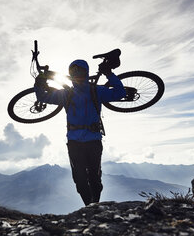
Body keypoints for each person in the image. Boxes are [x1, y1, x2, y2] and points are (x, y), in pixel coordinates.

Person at [34, 52, 127, 206]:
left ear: (86, 73)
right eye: (74, 72)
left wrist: (110, 74)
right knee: (80, 179)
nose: (77, 75)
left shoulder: (95, 90)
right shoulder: (66, 94)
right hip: (75, 142)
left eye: (81, 72)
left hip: (92, 141)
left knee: (94, 178)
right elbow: (42, 97)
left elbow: (121, 93)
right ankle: (89, 206)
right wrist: (39, 84)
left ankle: (94, 205)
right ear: (70, 74)